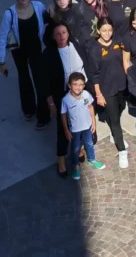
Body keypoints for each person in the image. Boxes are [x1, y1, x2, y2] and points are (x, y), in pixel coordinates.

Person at [0, 0, 47, 127]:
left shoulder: (38, 6)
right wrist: (2, 61)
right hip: (18, 51)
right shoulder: (9, 13)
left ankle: (43, 115)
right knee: (24, 78)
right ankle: (29, 109)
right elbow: (2, 36)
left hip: (36, 48)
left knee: (39, 80)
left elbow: (48, 21)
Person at [43, 23, 89, 177]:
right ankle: (61, 159)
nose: (61, 36)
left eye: (64, 32)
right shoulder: (49, 53)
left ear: (68, 33)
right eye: (58, 34)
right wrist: (50, 102)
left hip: (80, 90)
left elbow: (85, 65)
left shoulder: (76, 45)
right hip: (61, 94)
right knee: (63, 129)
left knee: (80, 122)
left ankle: (79, 148)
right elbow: (44, 80)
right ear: (53, 37)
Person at [88, 17, 129, 169]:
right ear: (98, 30)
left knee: (119, 111)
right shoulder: (94, 49)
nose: (107, 33)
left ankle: (114, 133)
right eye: (104, 30)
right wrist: (98, 94)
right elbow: (94, 75)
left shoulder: (118, 41)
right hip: (106, 89)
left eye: (109, 30)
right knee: (115, 119)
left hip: (120, 85)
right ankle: (122, 150)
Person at [61, 72, 105, 180]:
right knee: (75, 148)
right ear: (69, 86)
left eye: (81, 84)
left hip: (87, 126)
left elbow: (90, 107)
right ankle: (76, 166)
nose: (78, 87)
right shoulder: (66, 100)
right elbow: (63, 115)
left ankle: (92, 159)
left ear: (84, 86)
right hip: (75, 129)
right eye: (75, 84)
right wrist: (66, 130)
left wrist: (93, 122)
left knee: (89, 143)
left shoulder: (86, 94)